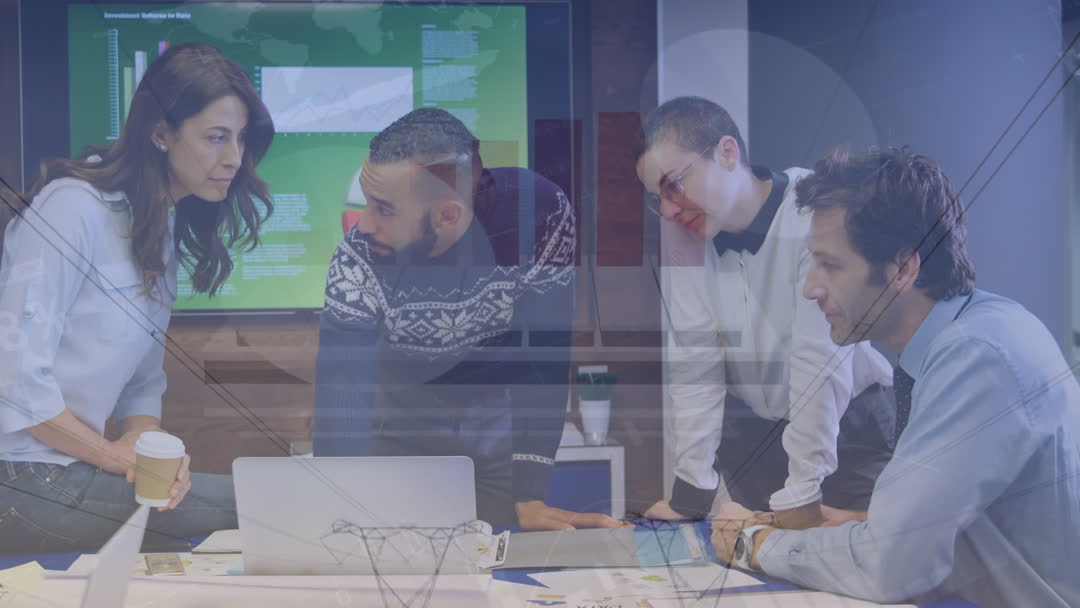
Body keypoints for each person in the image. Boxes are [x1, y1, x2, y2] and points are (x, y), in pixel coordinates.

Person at [713, 145, 1080, 608]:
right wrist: (854, 525)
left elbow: (891, 568)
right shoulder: (976, 333)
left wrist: (754, 545)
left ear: (903, 268)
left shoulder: (976, 358)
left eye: (830, 265)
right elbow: (956, 527)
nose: (810, 289)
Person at [0, 43, 275, 553]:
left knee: (250, 502)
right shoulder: (71, 208)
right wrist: (114, 457)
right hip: (17, 478)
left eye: (240, 139)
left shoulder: (156, 226)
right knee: (265, 502)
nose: (234, 159)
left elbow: (143, 384)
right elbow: (16, 384)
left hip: (70, 468)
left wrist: (147, 451)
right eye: (216, 137)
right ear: (160, 133)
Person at [312, 108, 625, 531]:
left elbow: (543, 358)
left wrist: (530, 493)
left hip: (495, 430)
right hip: (401, 425)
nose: (363, 224)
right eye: (366, 201)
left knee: (495, 557)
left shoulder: (540, 214)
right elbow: (342, 390)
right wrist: (338, 505)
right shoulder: (357, 257)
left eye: (383, 209)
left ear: (448, 215)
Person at [636, 96, 896, 528]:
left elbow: (818, 364)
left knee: (857, 560)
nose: (667, 209)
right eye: (655, 197)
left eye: (674, 184)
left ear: (727, 153)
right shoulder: (681, 237)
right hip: (756, 437)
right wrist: (692, 491)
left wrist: (803, 490)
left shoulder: (814, 208)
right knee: (755, 566)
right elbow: (695, 360)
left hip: (847, 428)